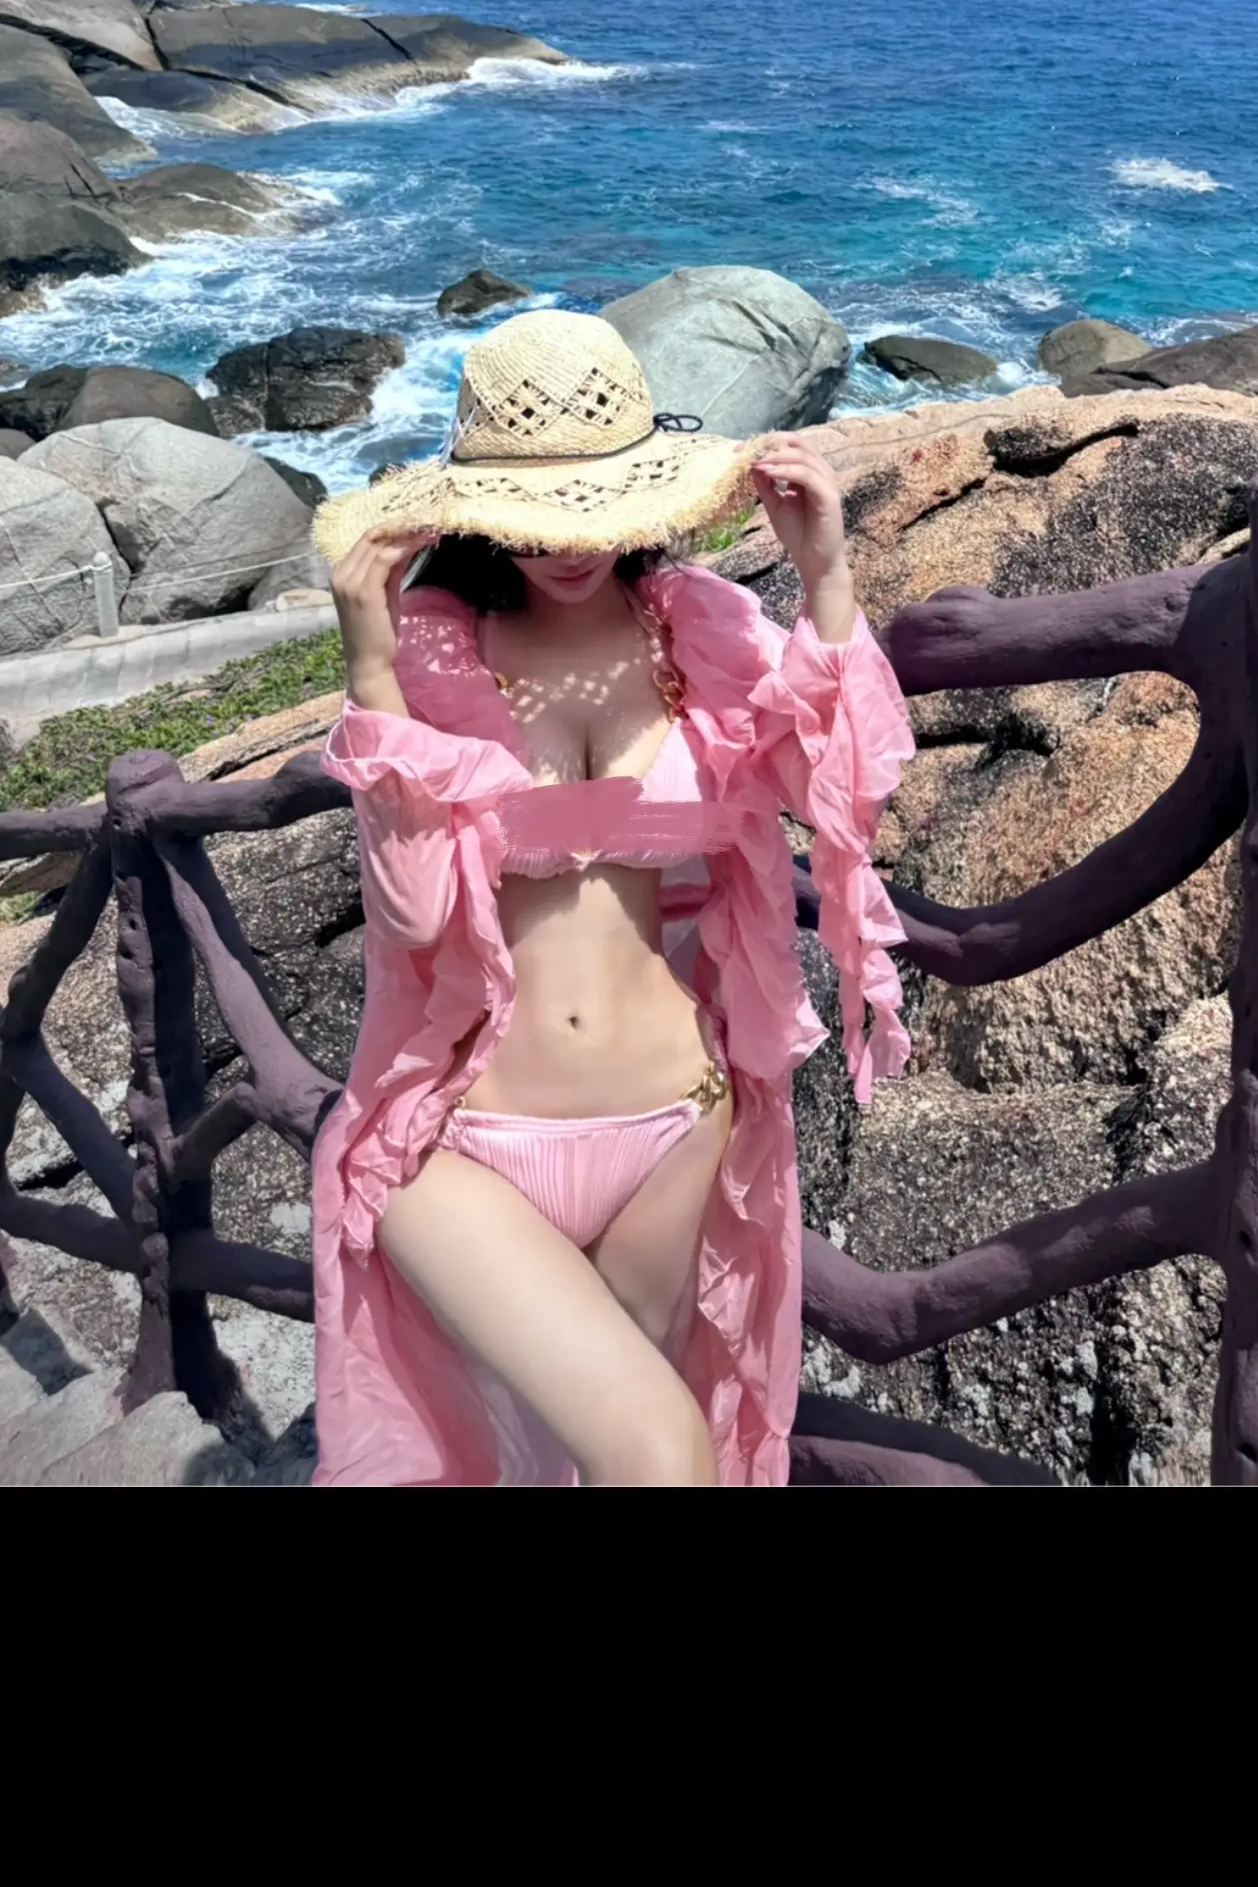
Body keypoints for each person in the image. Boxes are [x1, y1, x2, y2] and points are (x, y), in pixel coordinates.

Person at [310, 308, 913, 1487]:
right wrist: (370, 665)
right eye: (536, 513)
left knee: (606, 1458)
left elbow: (833, 788)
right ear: (480, 509)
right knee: (659, 1451)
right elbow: (417, 913)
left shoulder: (698, 626)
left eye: (591, 504)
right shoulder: (436, 649)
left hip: (680, 1121)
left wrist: (826, 576)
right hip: (465, 1137)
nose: (567, 543)